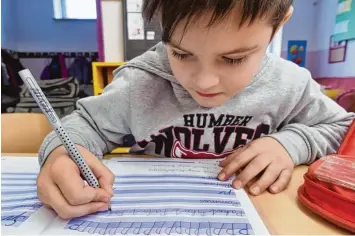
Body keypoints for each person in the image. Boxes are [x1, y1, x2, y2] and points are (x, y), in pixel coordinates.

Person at [36, 0, 355, 219]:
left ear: (278, 23)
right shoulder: (139, 82)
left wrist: (290, 143)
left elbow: (341, 128)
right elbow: (83, 126)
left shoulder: (290, 83)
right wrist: (62, 154)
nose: (205, 81)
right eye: (181, 54)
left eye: (233, 59)